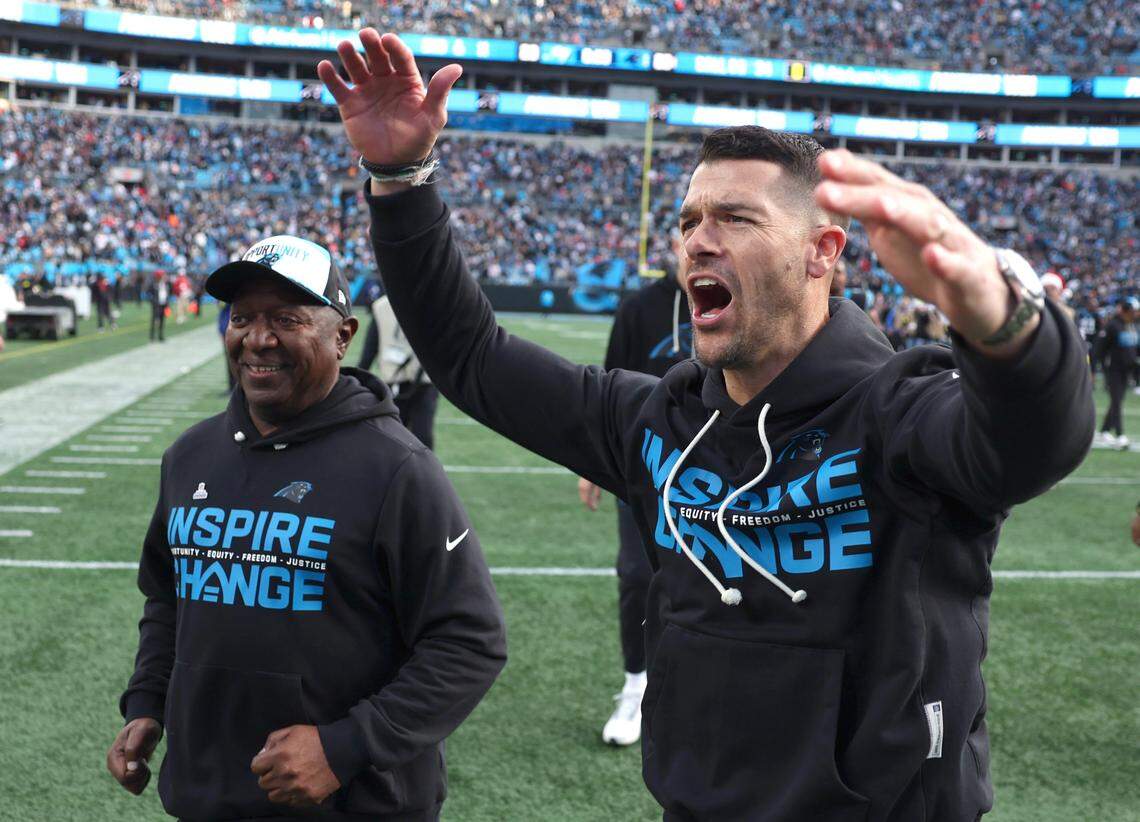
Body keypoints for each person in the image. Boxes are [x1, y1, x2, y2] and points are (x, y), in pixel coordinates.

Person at [320, 31, 1094, 821]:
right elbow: (470, 356)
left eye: (735, 217)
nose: (698, 240)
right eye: (689, 219)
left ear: (821, 253)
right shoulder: (657, 420)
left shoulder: (898, 413)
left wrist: (1005, 325)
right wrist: (400, 177)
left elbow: (1034, 444)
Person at [107, 234, 507, 821]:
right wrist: (148, 702)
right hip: (208, 795)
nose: (257, 339)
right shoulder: (189, 456)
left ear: (342, 336)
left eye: (285, 319)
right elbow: (168, 597)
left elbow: (471, 641)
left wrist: (346, 747)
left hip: (355, 804)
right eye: (242, 317)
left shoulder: (398, 469)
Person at [578, 233, 691, 746]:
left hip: (725, 468)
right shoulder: (640, 306)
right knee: (637, 574)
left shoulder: (744, 298)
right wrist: (590, 462)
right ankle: (635, 687)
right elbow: (609, 382)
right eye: (685, 230)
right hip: (644, 462)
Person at [357, 293, 440, 450]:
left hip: (421, 381)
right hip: (397, 380)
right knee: (397, 438)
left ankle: (423, 473)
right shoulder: (382, 307)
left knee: (419, 436)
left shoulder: (430, 304)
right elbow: (370, 347)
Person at [1093, 296, 1138, 448]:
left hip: (1127, 371)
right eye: (1134, 311)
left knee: (1117, 400)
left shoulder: (1132, 326)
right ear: (1126, 311)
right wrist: (1093, 370)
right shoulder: (1113, 326)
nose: (1136, 314)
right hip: (1113, 370)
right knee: (1117, 401)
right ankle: (1120, 434)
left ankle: (1105, 430)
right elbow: (1098, 349)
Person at [149, 271, 169, 342]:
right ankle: (152, 336)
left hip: (163, 304)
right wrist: (153, 301)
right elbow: (149, 293)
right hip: (156, 305)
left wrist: (167, 304)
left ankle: (160, 335)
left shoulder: (165, 284)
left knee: (162, 321)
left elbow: (166, 294)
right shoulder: (154, 284)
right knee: (154, 320)